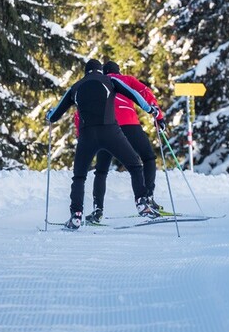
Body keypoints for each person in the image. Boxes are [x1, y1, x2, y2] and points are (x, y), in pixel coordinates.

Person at [46, 58, 161, 230]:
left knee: (79, 176)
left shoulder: (76, 86)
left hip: (87, 136)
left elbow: (55, 115)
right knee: (135, 165)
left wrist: (49, 115)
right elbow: (133, 94)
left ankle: (76, 215)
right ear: (101, 71)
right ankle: (141, 202)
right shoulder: (111, 80)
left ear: (86, 72)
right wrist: (150, 109)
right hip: (110, 132)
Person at [86, 61, 165, 224]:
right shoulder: (126, 79)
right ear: (118, 71)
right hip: (129, 123)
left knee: (101, 171)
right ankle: (147, 199)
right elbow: (144, 91)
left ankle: (97, 210)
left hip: (105, 127)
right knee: (148, 158)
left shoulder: (98, 83)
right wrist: (158, 116)